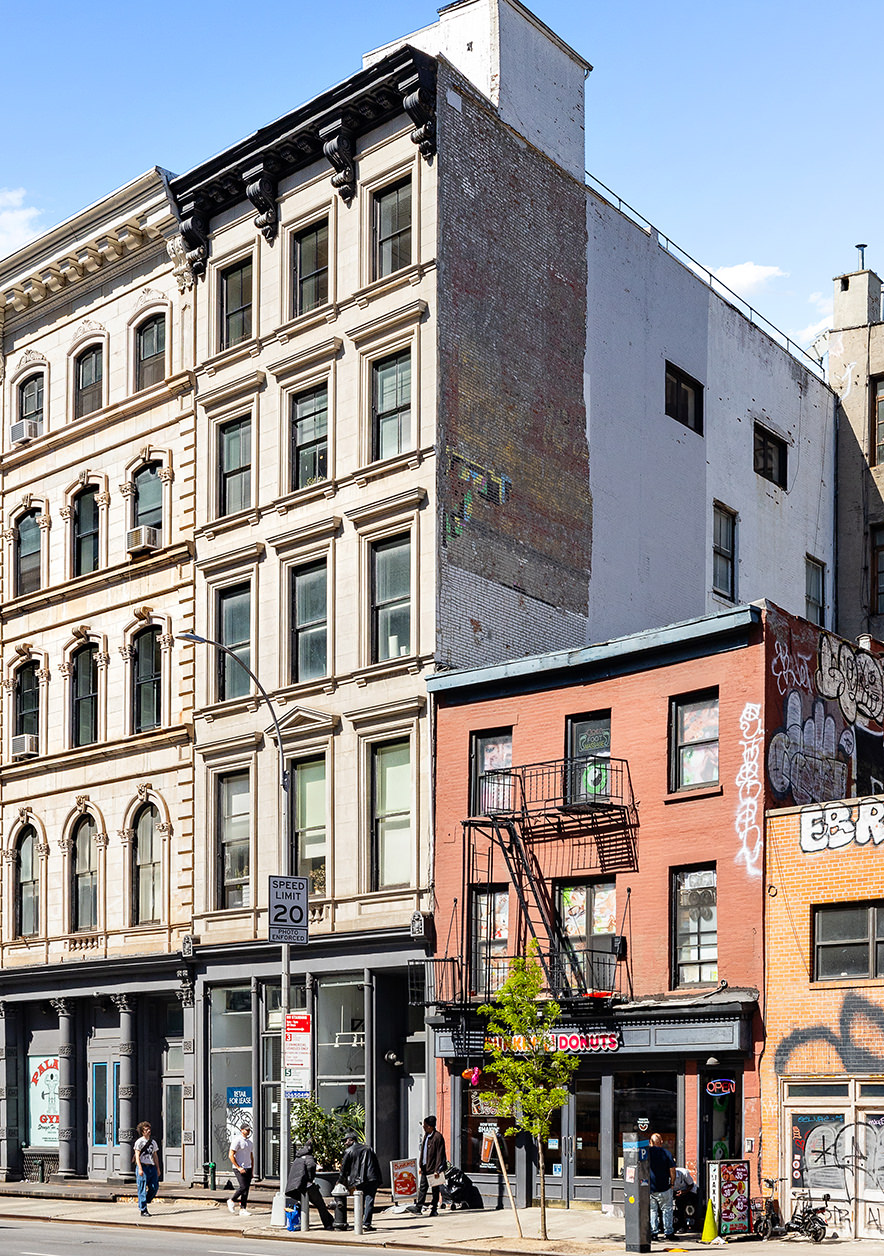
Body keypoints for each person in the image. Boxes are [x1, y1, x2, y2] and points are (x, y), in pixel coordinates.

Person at [339, 1129, 382, 1231]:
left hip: (359, 1180)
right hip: (372, 1178)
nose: (345, 1143)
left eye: (346, 1141)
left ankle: (359, 1222)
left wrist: (340, 1181)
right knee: (369, 1200)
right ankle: (366, 1223)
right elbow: (375, 1164)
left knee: (359, 1201)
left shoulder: (349, 1151)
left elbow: (343, 1168)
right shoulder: (368, 1148)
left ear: (351, 1140)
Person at [286, 1140, 334, 1230]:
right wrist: (311, 1179)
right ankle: (328, 1224)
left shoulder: (298, 1157)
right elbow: (311, 1168)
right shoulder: (309, 1158)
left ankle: (330, 1220)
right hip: (305, 1185)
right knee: (320, 1204)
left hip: (293, 1188)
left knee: (305, 1203)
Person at [411, 1115, 446, 1217]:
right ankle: (419, 1207)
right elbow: (424, 1151)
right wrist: (421, 1165)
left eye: (425, 1126)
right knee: (422, 1188)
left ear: (430, 1126)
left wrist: (438, 1169)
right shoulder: (426, 1136)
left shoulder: (437, 1137)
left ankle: (434, 1208)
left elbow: (440, 1154)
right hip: (426, 1167)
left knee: (435, 1189)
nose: (424, 1127)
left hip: (434, 1168)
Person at [647, 1132, 676, 1240]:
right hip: (664, 1187)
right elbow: (672, 1170)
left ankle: (654, 1233)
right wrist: (672, 1183)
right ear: (661, 1142)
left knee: (652, 1210)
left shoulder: (647, 1153)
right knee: (667, 1209)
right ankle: (668, 1232)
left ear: (650, 1142)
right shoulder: (666, 1153)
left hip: (651, 1188)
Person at [133, 1120, 161, 1217]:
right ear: (142, 1131)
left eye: (149, 1129)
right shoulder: (139, 1142)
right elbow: (137, 1156)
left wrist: (157, 1168)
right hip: (143, 1167)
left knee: (154, 1187)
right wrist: (140, 1168)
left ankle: (146, 1200)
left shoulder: (153, 1142)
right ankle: (143, 1209)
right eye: (146, 1130)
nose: (148, 1131)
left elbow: (155, 1155)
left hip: (151, 1167)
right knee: (142, 1188)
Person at [228, 1120, 254, 1216]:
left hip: (248, 1167)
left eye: (249, 1130)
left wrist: (252, 1170)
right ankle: (232, 1200)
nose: (248, 1131)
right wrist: (238, 1167)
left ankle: (243, 1209)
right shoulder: (237, 1140)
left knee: (246, 1189)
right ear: (241, 1130)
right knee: (243, 1187)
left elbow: (251, 1157)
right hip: (239, 1168)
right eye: (246, 1130)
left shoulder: (249, 1143)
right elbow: (231, 1155)